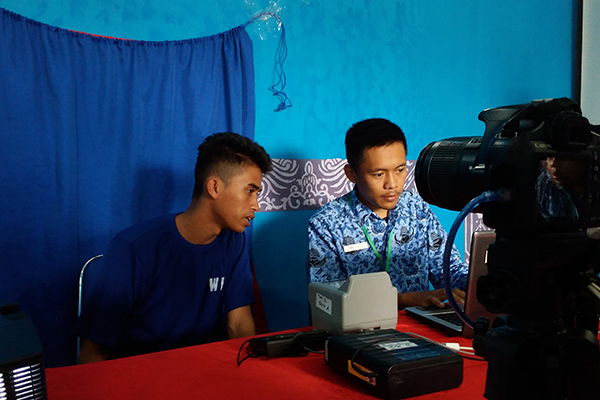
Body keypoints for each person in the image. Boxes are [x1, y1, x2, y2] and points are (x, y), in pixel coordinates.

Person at [77, 132, 272, 363]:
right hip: (141, 374)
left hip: (205, 370)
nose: (256, 205)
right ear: (214, 187)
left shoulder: (234, 241)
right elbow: (94, 350)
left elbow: (238, 323)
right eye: (250, 191)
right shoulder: (133, 248)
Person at [307, 118, 468, 309]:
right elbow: (326, 299)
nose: (392, 184)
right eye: (379, 174)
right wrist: (404, 300)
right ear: (351, 173)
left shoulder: (417, 208)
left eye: (400, 170)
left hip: (421, 324)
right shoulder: (325, 224)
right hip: (360, 326)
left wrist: (479, 283)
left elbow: (448, 271)